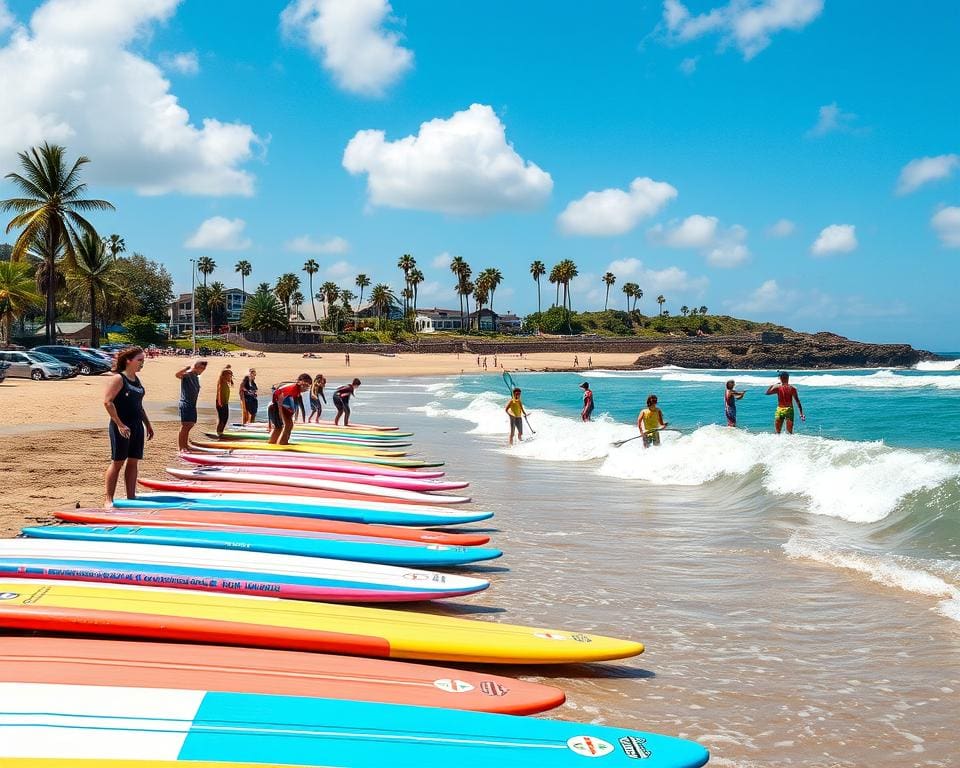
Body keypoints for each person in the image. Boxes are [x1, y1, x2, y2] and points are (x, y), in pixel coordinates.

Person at [103, 346, 153, 506]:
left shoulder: (137, 380)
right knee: (117, 462)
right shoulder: (119, 379)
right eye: (139, 360)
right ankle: (108, 499)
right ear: (128, 361)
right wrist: (119, 424)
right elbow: (108, 402)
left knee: (133, 461)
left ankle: (131, 497)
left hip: (137, 426)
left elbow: (139, 405)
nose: (142, 363)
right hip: (122, 426)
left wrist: (148, 425)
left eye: (143, 360)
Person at [268, 373, 313, 445]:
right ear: (299, 382)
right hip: (276, 406)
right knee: (284, 426)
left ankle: (277, 443)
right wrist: (280, 414)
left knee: (285, 426)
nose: (307, 387)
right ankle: (281, 443)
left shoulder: (297, 391)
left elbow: (292, 406)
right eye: (306, 385)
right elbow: (280, 399)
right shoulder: (292, 389)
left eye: (308, 386)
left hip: (280, 407)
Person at [175, 358, 207, 451]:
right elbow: (177, 375)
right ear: (196, 366)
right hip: (185, 403)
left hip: (192, 404)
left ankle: (186, 445)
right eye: (201, 368)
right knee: (186, 425)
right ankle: (182, 447)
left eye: (204, 368)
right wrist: (186, 368)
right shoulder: (188, 374)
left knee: (190, 424)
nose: (202, 370)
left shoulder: (196, 377)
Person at [214, 365, 234, 436]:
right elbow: (219, 393)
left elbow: (224, 372)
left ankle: (220, 432)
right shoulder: (221, 382)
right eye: (229, 376)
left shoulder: (225, 382)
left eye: (231, 376)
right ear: (224, 376)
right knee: (222, 419)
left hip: (225, 403)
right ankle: (219, 433)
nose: (230, 377)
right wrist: (220, 403)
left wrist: (227, 368)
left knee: (225, 418)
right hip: (221, 403)